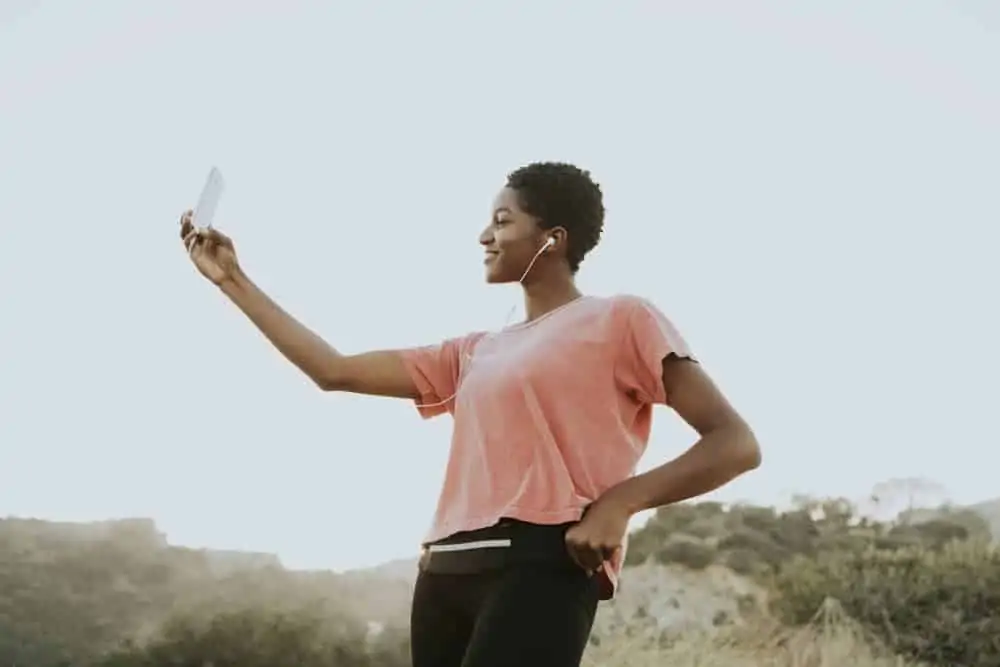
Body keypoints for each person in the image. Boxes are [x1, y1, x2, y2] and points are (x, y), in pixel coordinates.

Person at [179, 161, 761, 667]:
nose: (485, 234)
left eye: (504, 221)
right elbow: (334, 370)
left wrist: (619, 503)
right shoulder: (472, 351)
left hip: (542, 564)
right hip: (444, 570)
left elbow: (733, 443)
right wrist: (233, 280)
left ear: (552, 238)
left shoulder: (622, 318)